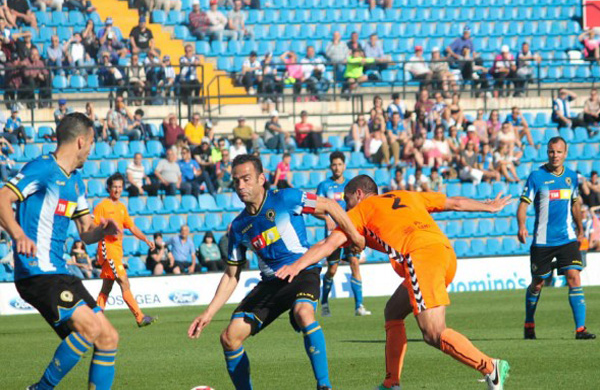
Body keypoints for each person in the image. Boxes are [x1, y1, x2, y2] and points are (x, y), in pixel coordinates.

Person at [276, 175, 513, 390]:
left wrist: (296, 266)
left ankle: (491, 368)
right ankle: (391, 383)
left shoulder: (360, 211)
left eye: (348, 202)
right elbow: (455, 203)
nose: (346, 209)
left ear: (359, 194)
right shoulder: (406, 195)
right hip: (443, 252)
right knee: (393, 311)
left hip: (419, 257)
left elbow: (326, 245)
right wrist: (488, 206)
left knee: (433, 333)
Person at [187, 154, 364, 390]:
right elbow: (231, 275)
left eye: (246, 179)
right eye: (236, 181)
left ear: (261, 179)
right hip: (271, 283)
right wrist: (208, 313)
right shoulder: (239, 227)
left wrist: (355, 236)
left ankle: (324, 386)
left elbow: (330, 205)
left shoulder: (287, 198)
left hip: (303, 272)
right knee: (229, 338)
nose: (241, 186)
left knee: (304, 313)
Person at [0, 112, 119, 389]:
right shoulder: (42, 169)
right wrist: (18, 235)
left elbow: (86, 233)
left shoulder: (76, 182)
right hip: (36, 272)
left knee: (108, 337)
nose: (91, 150)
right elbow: (2, 199)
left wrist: (103, 230)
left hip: (60, 273)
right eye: (91, 143)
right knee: (89, 329)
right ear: (81, 141)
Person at [518, 137, 596, 340]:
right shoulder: (536, 176)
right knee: (537, 284)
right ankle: (529, 322)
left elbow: (575, 204)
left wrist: (579, 229)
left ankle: (580, 329)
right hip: (542, 242)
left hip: (567, 239)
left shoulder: (571, 177)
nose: (555, 155)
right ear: (547, 152)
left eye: (559, 152)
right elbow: (523, 205)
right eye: (552, 151)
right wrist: (521, 226)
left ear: (565, 153)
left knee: (574, 277)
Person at [94, 173, 156, 326]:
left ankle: (95, 318)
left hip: (117, 252)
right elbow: (93, 227)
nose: (117, 189)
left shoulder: (121, 207)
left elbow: (131, 226)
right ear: (109, 188)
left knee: (106, 287)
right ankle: (139, 317)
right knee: (124, 281)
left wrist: (145, 239)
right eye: (114, 186)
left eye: (120, 187)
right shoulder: (102, 206)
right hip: (108, 251)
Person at [317, 151, 371, 317]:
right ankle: (324, 302)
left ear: (344, 166)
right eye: (334, 164)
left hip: (351, 233)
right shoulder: (324, 186)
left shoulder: (352, 185)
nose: (337, 167)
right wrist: (326, 217)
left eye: (340, 164)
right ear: (330, 166)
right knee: (332, 269)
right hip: (334, 234)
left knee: (354, 263)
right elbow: (314, 207)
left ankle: (359, 306)